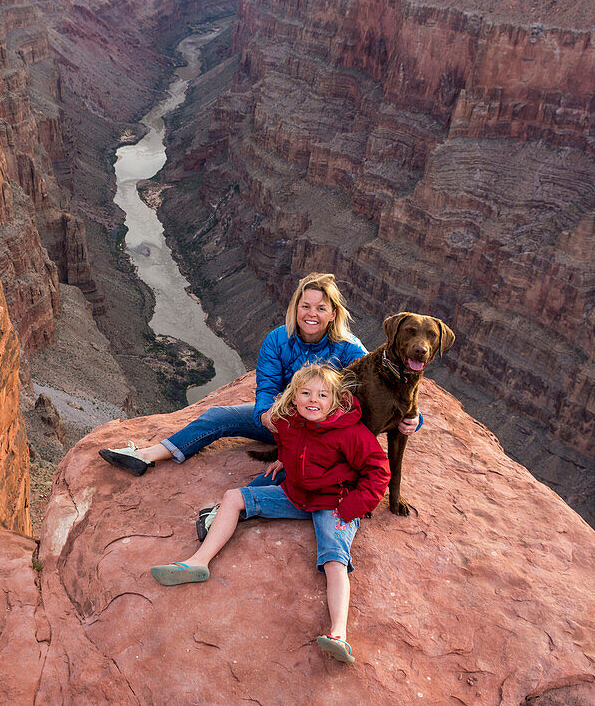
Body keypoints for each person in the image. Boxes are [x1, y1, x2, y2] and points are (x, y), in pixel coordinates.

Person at [148, 364, 390, 664]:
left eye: (322, 395)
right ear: (294, 396)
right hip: (295, 495)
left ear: (336, 400)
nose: (313, 400)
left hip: (334, 502)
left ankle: (338, 634)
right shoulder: (288, 421)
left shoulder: (351, 433)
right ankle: (198, 563)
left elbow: (378, 471)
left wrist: (351, 508)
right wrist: (284, 462)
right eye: (305, 393)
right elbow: (294, 445)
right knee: (233, 497)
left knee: (333, 559)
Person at [99, 272, 416, 475]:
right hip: (284, 421)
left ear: (333, 313)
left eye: (321, 308)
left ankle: (234, 509)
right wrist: (266, 413)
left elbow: (389, 391)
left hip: (327, 433)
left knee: (292, 471)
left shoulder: (350, 349)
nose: (312, 314)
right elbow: (266, 387)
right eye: (306, 306)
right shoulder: (278, 339)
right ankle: (147, 456)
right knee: (217, 417)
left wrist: (414, 419)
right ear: (296, 307)